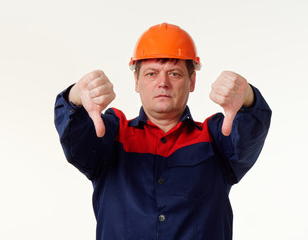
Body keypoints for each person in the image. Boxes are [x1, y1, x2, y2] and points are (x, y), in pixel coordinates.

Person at [54, 23, 271, 240]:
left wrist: (248, 97)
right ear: (136, 81)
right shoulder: (112, 135)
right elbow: (77, 141)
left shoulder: (215, 138)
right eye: (151, 74)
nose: (163, 83)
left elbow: (248, 136)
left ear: (192, 80)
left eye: (175, 74)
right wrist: (76, 98)